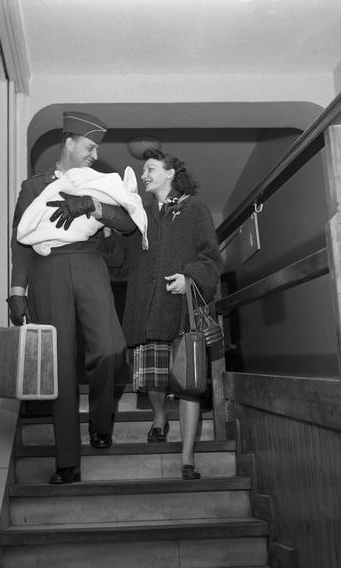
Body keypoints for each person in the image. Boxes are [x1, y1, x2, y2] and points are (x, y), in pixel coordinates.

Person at [8, 111, 135, 485]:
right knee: (59, 366)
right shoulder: (34, 186)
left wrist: (93, 206)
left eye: (96, 148)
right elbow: (21, 241)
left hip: (90, 263)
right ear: (69, 143)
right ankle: (67, 460)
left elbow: (127, 223)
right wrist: (18, 291)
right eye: (90, 146)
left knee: (111, 347)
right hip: (48, 272)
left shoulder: (98, 183)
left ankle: (100, 421)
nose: (95, 155)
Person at [121, 148, 220, 480]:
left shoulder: (195, 208)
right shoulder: (139, 214)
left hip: (181, 312)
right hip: (146, 309)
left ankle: (188, 458)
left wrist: (189, 276)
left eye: (150, 169)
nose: (145, 174)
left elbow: (210, 256)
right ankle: (160, 417)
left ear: (170, 174)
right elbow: (121, 260)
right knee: (153, 378)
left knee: (189, 384)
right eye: (144, 170)